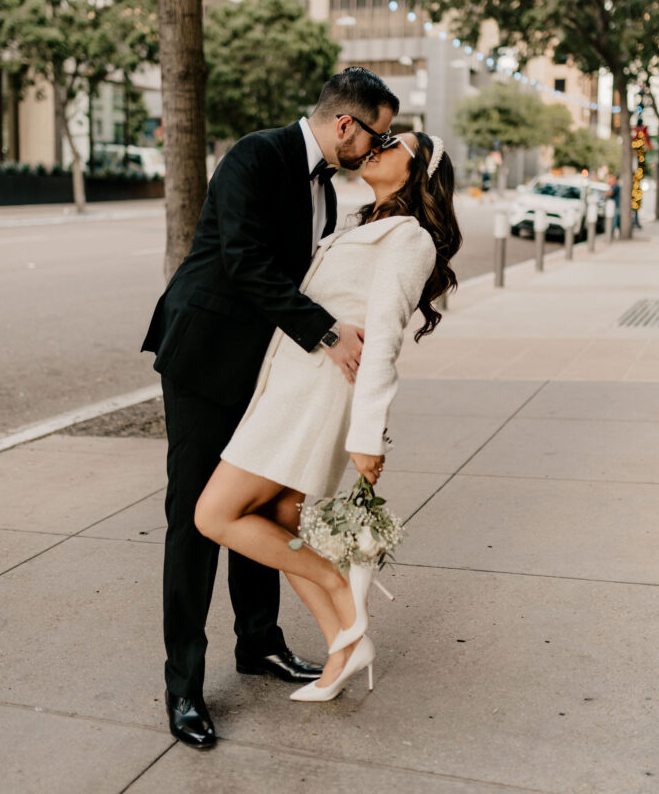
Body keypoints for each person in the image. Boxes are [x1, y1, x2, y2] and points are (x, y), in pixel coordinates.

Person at [141, 67, 399, 748]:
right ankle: (184, 689)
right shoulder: (257, 155)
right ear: (346, 124)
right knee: (196, 521)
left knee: (253, 508)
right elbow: (245, 259)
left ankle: (258, 644)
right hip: (205, 357)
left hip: (261, 370)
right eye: (378, 134)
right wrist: (326, 331)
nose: (378, 148)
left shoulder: (330, 190)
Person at [194, 131, 462, 705]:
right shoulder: (363, 220)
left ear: (416, 172)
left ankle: (339, 587)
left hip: (315, 398)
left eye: (393, 144)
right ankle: (345, 643)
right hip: (296, 387)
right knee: (279, 523)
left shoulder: (410, 237)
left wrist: (369, 435)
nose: (379, 145)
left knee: (214, 514)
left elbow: (386, 339)